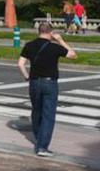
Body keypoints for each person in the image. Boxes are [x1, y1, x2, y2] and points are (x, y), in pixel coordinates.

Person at [17, 22, 77, 158]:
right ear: (50, 32)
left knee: (36, 111)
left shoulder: (29, 45)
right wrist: (61, 40)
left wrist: (27, 77)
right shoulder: (54, 47)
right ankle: (42, 147)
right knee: (48, 115)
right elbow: (73, 55)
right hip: (49, 83)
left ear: (39, 31)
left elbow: (20, 64)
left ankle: (39, 139)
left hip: (34, 82)